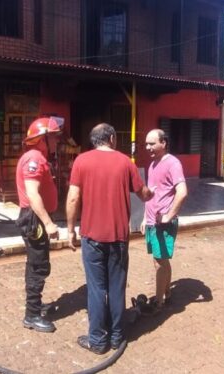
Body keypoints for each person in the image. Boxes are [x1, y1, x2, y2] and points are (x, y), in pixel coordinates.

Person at [66, 123, 152, 354]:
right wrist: (152, 192)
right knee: (116, 287)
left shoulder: (81, 161)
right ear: (112, 138)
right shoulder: (126, 162)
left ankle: (97, 339)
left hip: (91, 237)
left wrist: (71, 229)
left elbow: (73, 198)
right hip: (118, 238)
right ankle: (116, 336)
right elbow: (143, 194)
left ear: (94, 140)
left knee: (96, 288)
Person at [15, 117, 61, 333]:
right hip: (35, 219)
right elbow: (33, 195)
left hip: (34, 218)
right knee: (38, 266)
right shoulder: (34, 159)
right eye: (53, 136)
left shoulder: (38, 157)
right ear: (42, 138)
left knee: (35, 263)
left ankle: (35, 305)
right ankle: (32, 315)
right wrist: (49, 223)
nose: (57, 140)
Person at [141, 129, 187, 312]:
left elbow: (182, 192)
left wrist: (169, 215)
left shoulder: (173, 163)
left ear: (164, 143)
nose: (147, 147)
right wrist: (145, 217)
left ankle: (158, 301)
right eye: (146, 143)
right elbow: (152, 194)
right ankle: (167, 293)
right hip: (152, 222)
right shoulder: (153, 164)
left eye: (152, 143)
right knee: (161, 260)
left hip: (164, 224)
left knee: (159, 261)